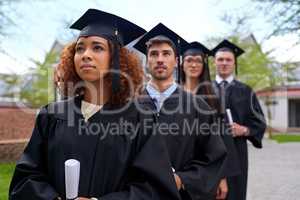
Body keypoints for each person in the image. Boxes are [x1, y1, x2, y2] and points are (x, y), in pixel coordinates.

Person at [9, 9, 181, 200]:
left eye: (97, 47)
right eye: (80, 48)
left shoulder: (140, 118)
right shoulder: (51, 115)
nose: (85, 55)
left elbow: (156, 189)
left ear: (117, 59)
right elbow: (25, 178)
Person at [134, 23, 227, 200]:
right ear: (147, 61)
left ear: (176, 61)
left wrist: (182, 179)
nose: (160, 59)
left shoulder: (198, 107)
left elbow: (213, 158)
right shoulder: (131, 104)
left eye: (166, 53)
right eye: (154, 54)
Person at [181, 42, 241, 200]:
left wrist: (222, 176)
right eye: (189, 60)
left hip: (206, 169)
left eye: (198, 60)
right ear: (181, 63)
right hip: (178, 167)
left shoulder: (213, 98)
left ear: (204, 65)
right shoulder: (172, 94)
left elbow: (224, 140)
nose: (193, 64)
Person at [211, 39, 266, 200]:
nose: (224, 63)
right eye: (220, 59)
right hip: (210, 154)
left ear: (234, 63)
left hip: (237, 152)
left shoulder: (246, 91)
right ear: (214, 62)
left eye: (228, 60)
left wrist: (244, 130)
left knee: (236, 193)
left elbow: (259, 122)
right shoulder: (205, 89)